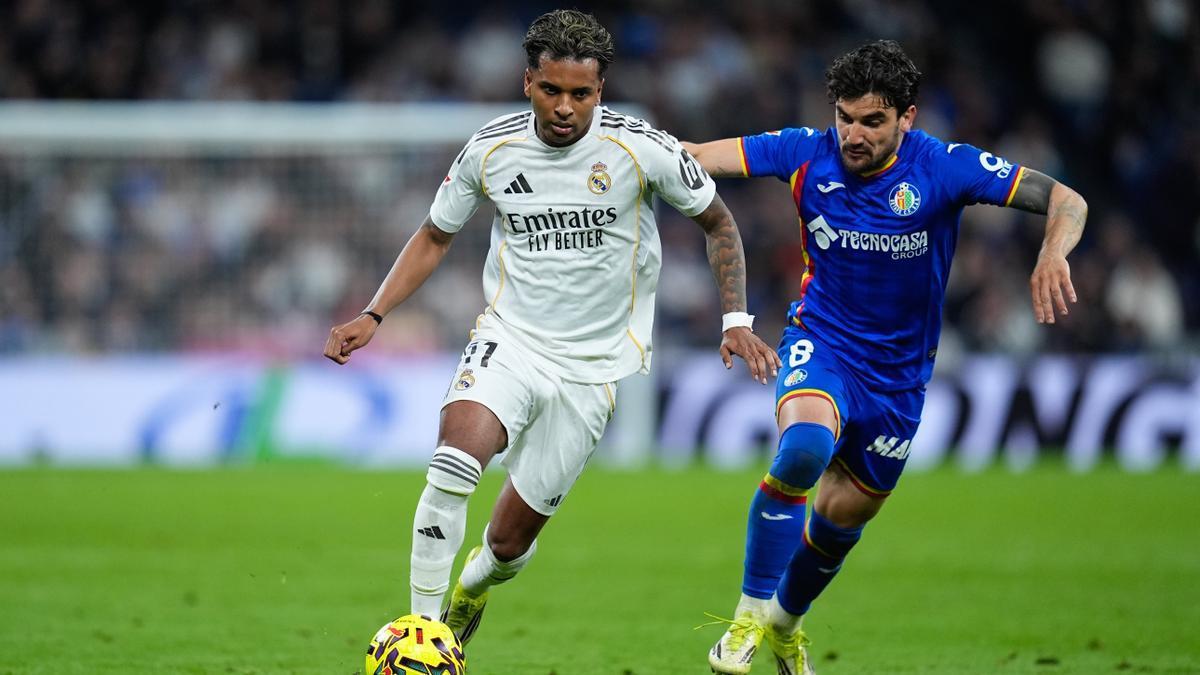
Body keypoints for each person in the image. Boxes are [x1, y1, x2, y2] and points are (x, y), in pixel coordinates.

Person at [323, 8, 780, 650]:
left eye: (582, 93)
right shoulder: (491, 148)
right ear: (527, 83)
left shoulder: (640, 146)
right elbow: (433, 234)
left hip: (592, 370)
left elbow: (720, 222)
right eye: (551, 90)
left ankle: (471, 591)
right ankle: (424, 637)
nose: (566, 107)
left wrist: (736, 319)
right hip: (510, 340)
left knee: (507, 548)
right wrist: (374, 313)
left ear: (601, 90)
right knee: (454, 463)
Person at [685, 40, 1087, 675]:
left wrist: (1053, 251)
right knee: (803, 451)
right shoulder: (802, 150)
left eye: (872, 121)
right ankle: (745, 621)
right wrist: (626, 150)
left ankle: (786, 626)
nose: (853, 133)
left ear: (907, 117)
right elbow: (697, 158)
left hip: (899, 380)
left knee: (842, 519)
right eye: (845, 116)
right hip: (824, 344)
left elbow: (1067, 199)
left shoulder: (944, 167)